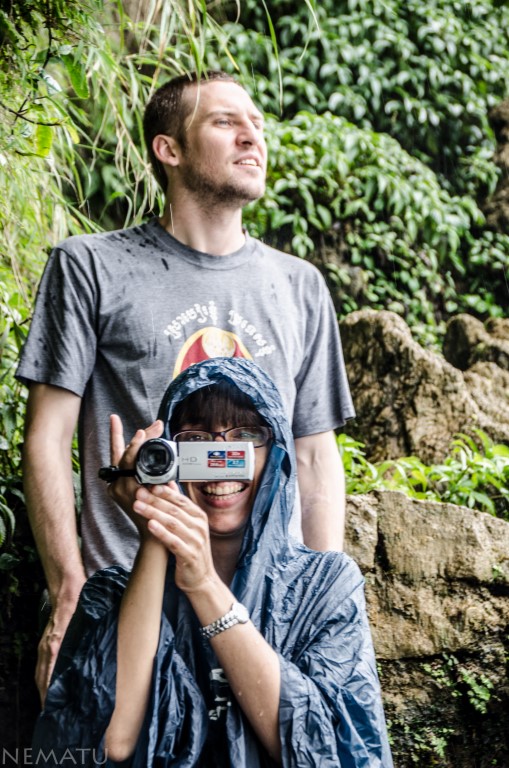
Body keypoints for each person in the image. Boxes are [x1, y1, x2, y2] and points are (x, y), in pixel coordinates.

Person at [16, 69, 355, 705]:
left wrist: (317, 599)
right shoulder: (90, 266)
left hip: (262, 616)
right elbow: (47, 437)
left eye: (257, 124)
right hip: (127, 606)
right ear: (167, 148)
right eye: (226, 122)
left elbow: (314, 455)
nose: (252, 136)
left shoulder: (300, 286)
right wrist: (67, 592)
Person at [32, 358, 392, 767]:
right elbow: (113, 741)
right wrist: (154, 530)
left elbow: (317, 748)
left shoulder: (326, 585)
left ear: (276, 453)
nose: (220, 461)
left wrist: (203, 585)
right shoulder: (112, 595)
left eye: (245, 437)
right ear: (168, 456)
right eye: (196, 441)